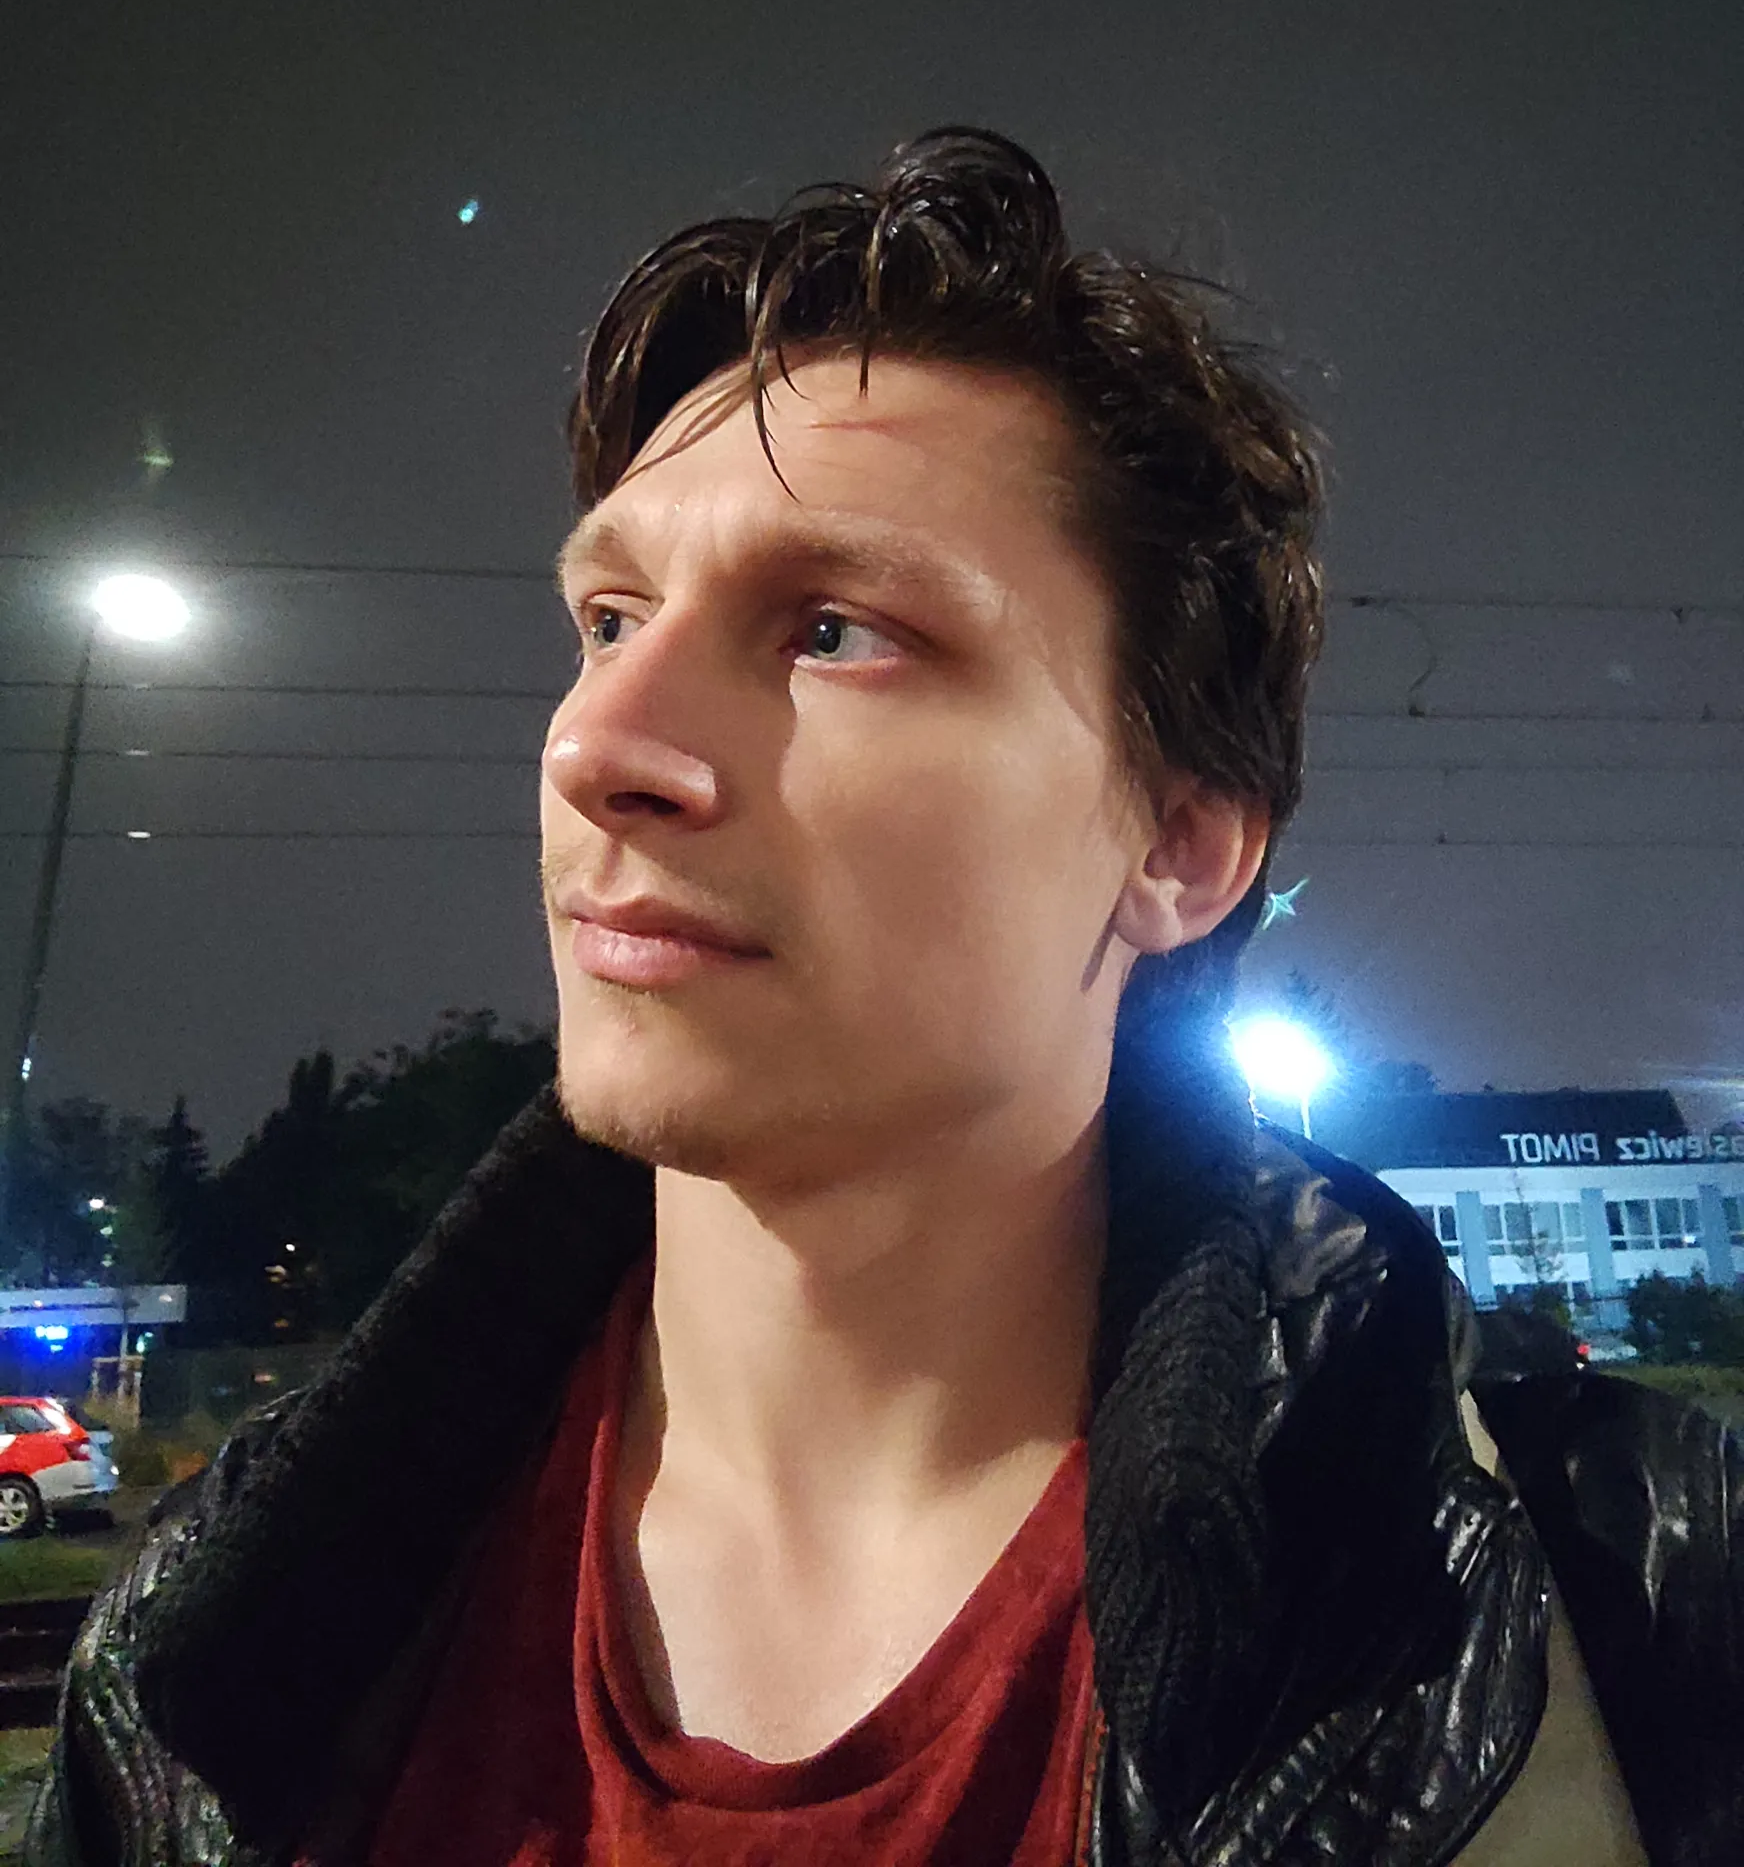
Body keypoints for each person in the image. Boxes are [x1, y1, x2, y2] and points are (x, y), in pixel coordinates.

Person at [30, 132, 1737, 1866]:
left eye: (835, 630)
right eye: (609, 619)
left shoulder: (1636, 1586)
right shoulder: (215, 1639)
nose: (598, 744)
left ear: (1179, 845)